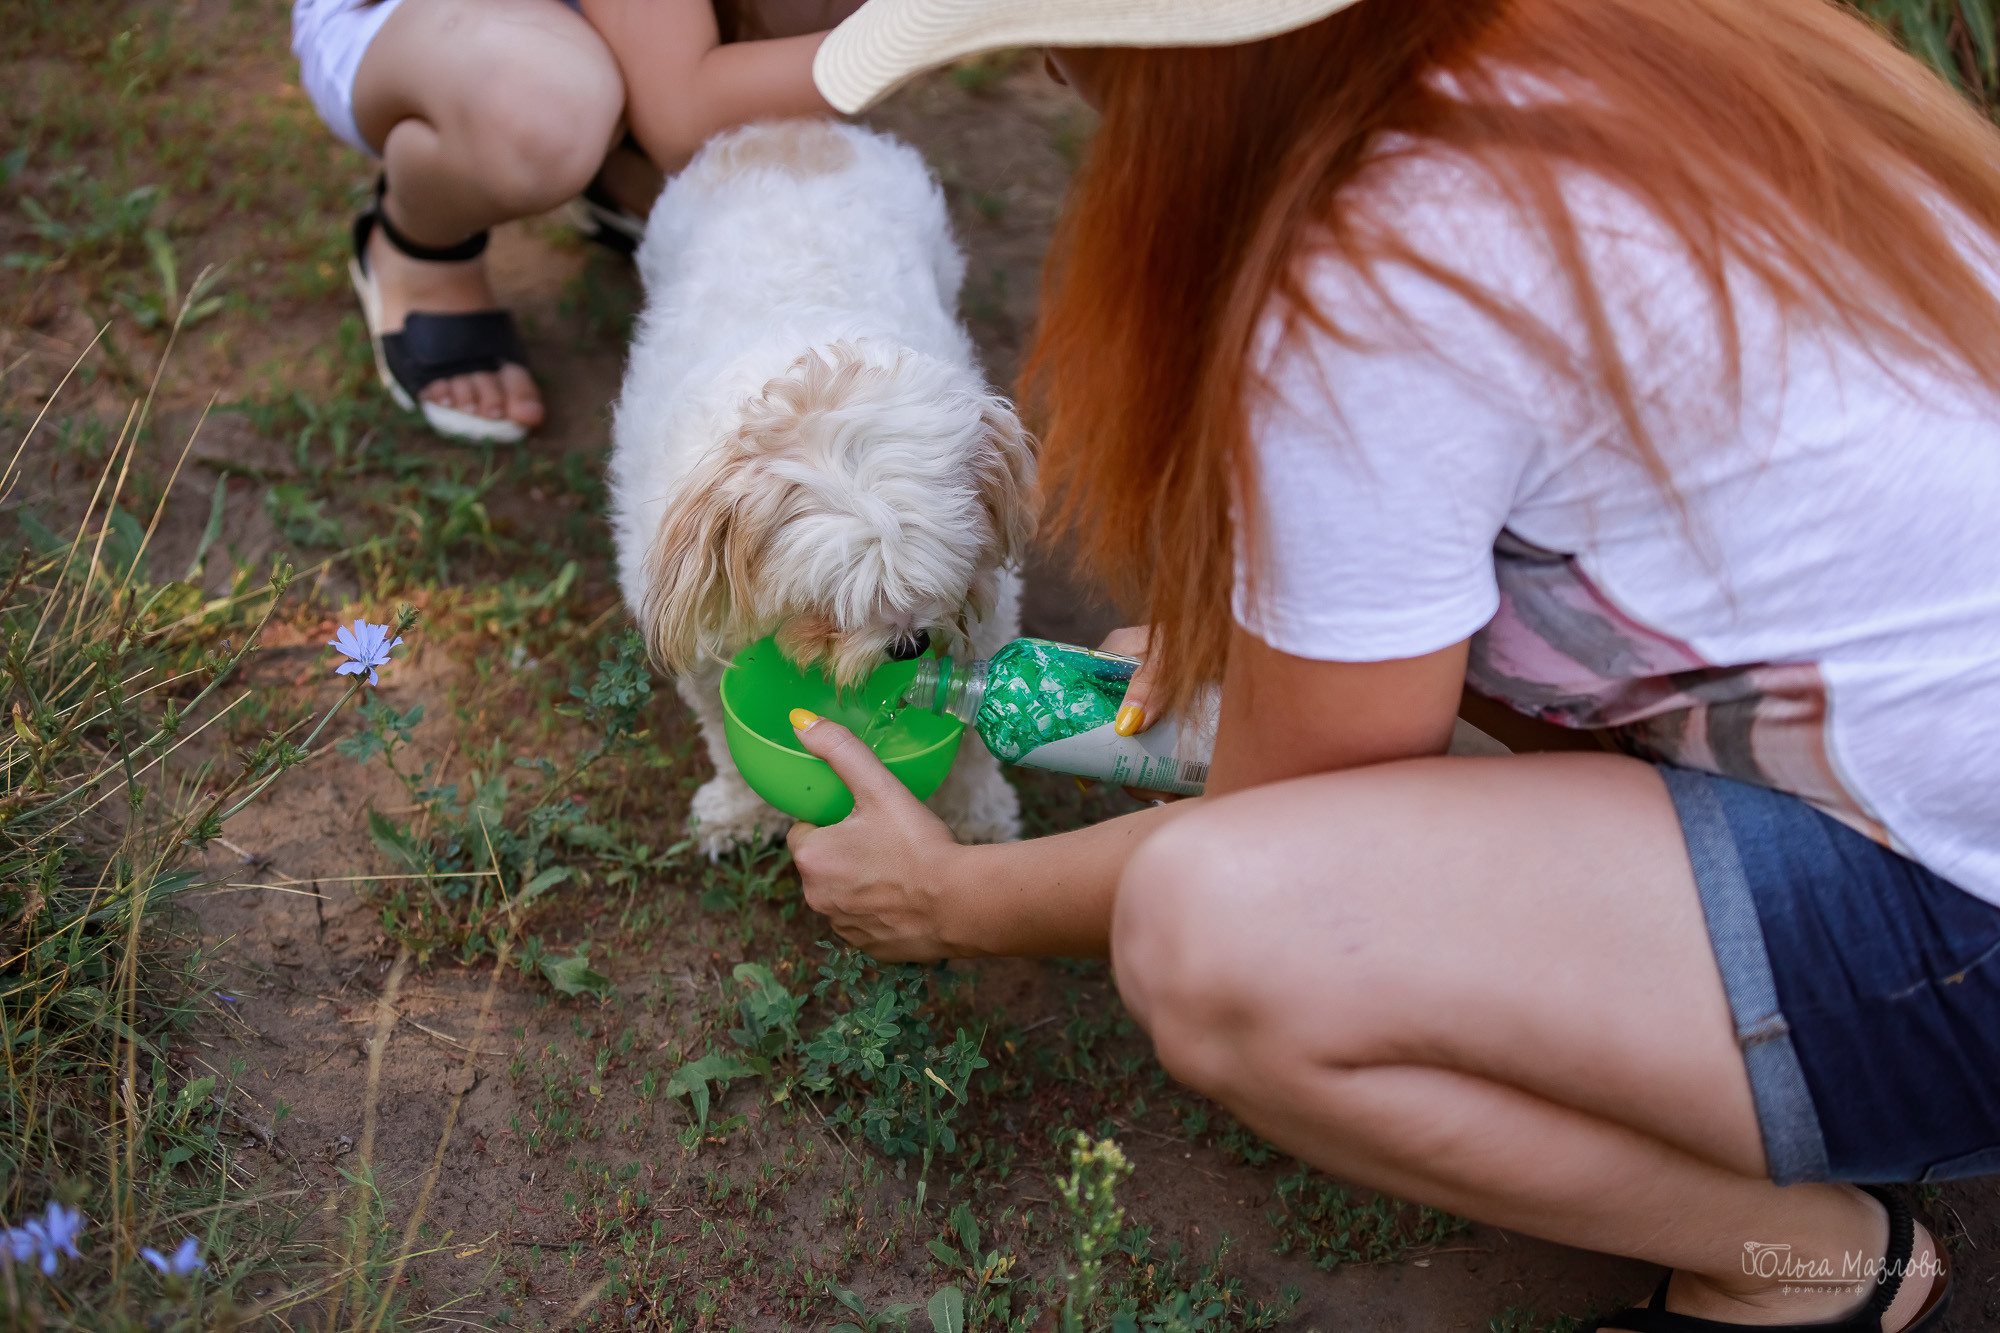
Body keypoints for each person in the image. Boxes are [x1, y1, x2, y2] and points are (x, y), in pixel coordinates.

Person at [784, 0, 2000, 1328]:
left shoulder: (1378, 270)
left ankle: (1807, 1269)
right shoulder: (1608, 54)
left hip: (1961, 927)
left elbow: (1285, 831)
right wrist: (1285, 644)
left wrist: (953, 898)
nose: (1061, 72)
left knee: (1228, 934)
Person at [291, 0, 862, 442]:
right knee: (542, 114)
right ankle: (421, 248)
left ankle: (620, 167)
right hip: (431, 24)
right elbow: (683, 116)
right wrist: (907, 31)